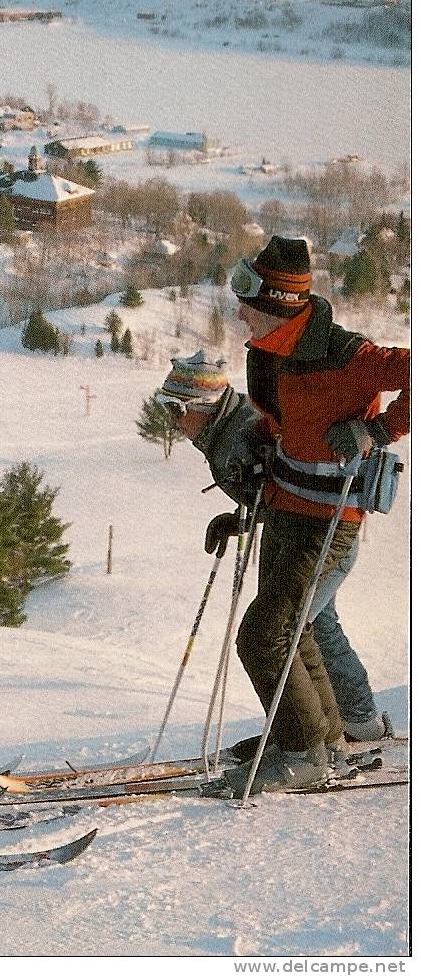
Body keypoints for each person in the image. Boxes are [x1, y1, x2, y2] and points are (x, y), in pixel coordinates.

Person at [218, 235, 408, 795]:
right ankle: (316, 739)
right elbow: (282, 428)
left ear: (275, 302)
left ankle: (302, 753)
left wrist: (378, 429)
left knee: (264, 634)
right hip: (284, 510)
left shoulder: (347, 356)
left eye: (246, 299)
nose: (238, 311)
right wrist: (250, 489)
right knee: (290, 629)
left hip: (329, 521)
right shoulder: (271, 354)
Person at [154, 350, 393, 754]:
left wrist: (253, 512)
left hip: (322, 536)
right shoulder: (221, 429)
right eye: (166, 406)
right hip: (300, 535)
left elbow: (295, 484)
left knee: (286, 633)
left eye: (176, 407)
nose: (173, 419)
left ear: (203, 404)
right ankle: (348, 722)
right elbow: (272, 492)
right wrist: (241, 518)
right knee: (312, 625)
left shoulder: (242, 428)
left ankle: (325, 730)